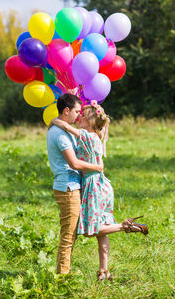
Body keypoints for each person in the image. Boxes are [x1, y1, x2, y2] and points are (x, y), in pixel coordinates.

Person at [51, 100, 148, 280]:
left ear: (89, 122)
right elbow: (98, 126)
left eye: (82, 115)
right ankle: (104, 271)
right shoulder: (97, 134)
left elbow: (69, 128)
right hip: (100, 185)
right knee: (102, 230)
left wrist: (58, 122)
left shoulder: (88, 136)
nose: (79, 117)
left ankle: (125, 226)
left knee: (92, 230)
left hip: (93, 186)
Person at [47, 94, 103, 275]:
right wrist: (98, 167)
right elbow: (75, 164)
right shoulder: (60, 134)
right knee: (68, 236)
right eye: (77, 111)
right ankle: (62, 279)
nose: (79, 115)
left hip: (70, 185)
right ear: (66, 111)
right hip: (68, 187)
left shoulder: (62, 129)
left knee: (71, 235)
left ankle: (63, 273)